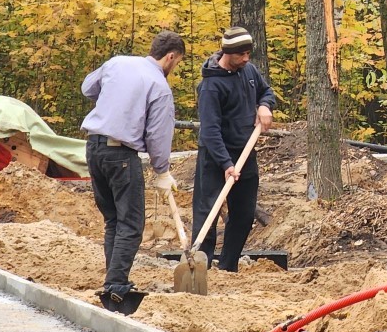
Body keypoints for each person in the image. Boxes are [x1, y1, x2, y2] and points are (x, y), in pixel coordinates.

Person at [81, 30, 185, 302]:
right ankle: (116, 285)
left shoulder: (117, 63)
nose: (175, 68)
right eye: (178, 63)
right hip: (121, 154)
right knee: (130, 223)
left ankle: (112, 278)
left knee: (113, 220)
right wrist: (162, 170)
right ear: (170, 57)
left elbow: (87, 88)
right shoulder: (159, 86)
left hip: (94, 147)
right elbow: (158, 134)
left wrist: (116, 99)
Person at [193, 26, 275, 272]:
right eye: (241, 54)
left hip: (245, 151)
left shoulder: (248, 71)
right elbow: (210, 131)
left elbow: (266, 91)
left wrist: (264, 106)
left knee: (243, 214)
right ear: (228, 54)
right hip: (215, 156)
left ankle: (228, 266)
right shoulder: (211, 87)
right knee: (208, 212)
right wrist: (226, 164)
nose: (247, 58)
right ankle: (201, 267)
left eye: (249, 53)